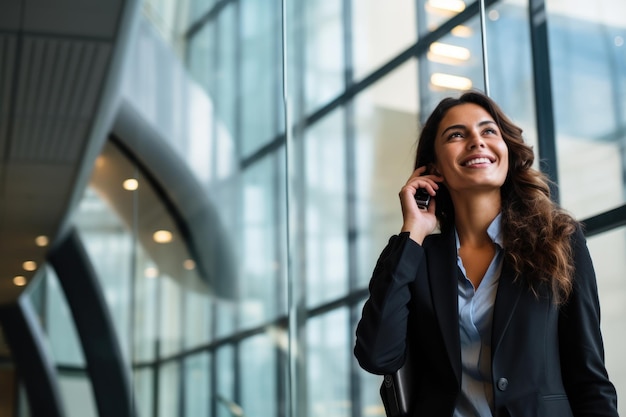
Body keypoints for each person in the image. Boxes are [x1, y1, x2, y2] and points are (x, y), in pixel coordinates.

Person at [354, 90, 619, 417]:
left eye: (488, 131)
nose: (477, 141)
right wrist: (414, 229)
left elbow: (590, 377)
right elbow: (378, 355)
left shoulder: (557, 240)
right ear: (433, 166)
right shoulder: (415, 257)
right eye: (456, 135)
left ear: (505, 149)